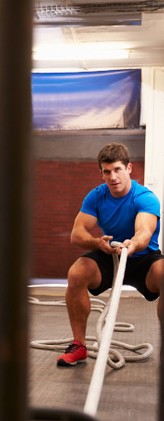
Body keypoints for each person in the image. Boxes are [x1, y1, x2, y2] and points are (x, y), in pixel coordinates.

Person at [57, 142, 164, 367]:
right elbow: (77, 235)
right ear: (102, 173)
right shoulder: (96, 197)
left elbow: (144, 232)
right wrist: (97, 243)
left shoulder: (144, 197)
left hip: (142, 257)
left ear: (129, 168)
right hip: (110, 254)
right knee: (77, 273)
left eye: (117, 169)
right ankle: (79, 346)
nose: (113, 177)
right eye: (107, 172)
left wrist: (132, 244)